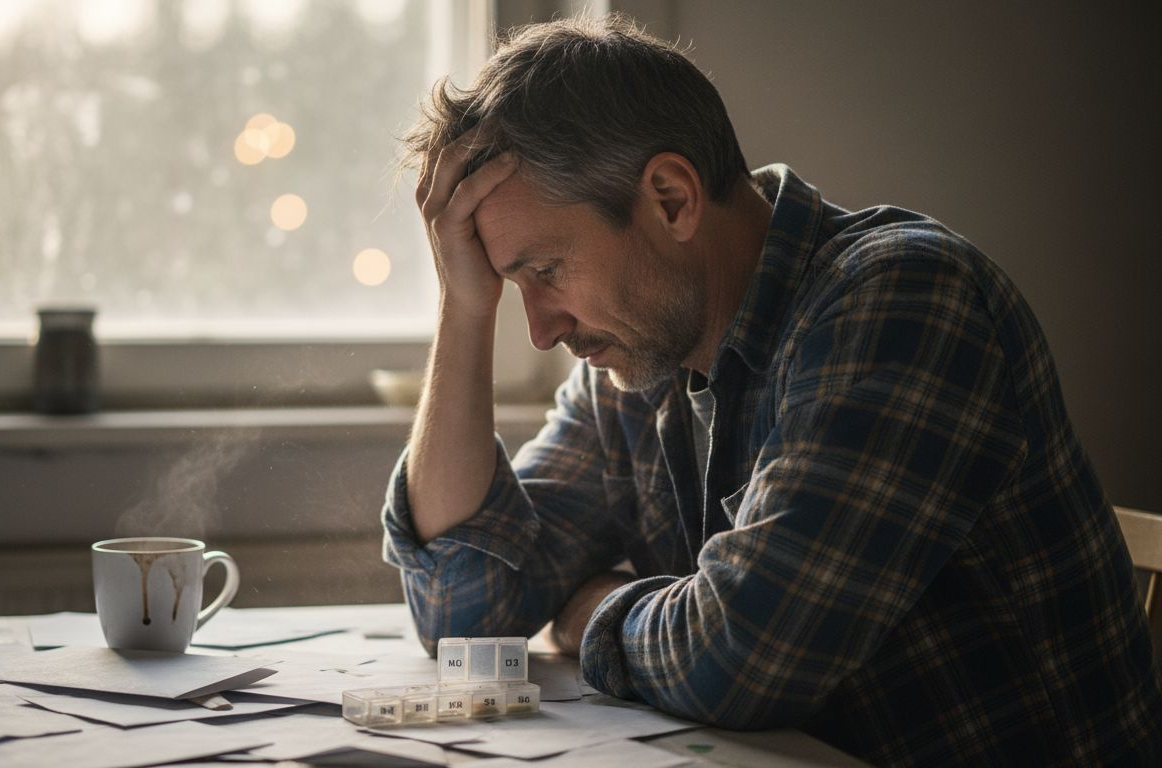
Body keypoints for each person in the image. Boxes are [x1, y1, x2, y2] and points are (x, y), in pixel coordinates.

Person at [379, 13, 1161, 766]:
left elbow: (743, 660)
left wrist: (589, 614)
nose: (543, 331)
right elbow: (463, 615)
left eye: (545, 271)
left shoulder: (901, 299)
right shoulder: (637, 362)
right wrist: (464, 307)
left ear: (671, 200)